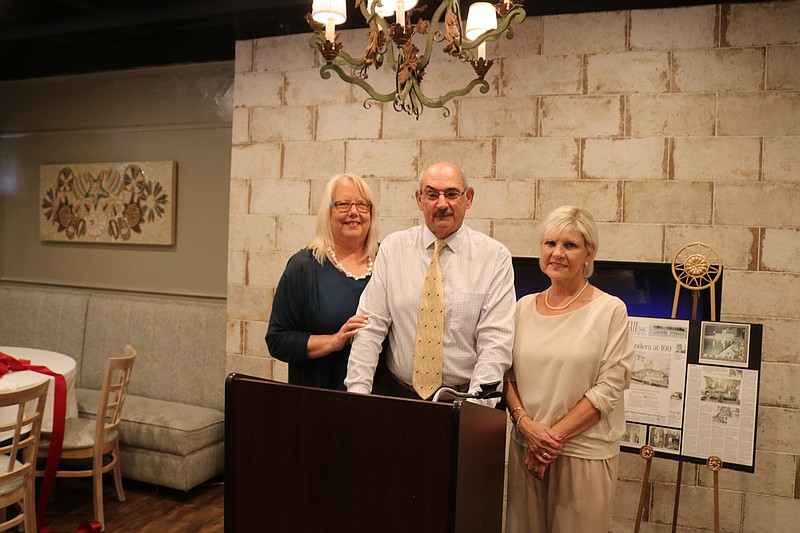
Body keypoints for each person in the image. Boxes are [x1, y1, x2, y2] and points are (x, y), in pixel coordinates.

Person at [504, 205, 635, 533]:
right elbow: (505, 374)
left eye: (570, 245)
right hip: (527, 452)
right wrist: (527, 428)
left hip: (582, 455)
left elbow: (609, 388)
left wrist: (550, 440)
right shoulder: (522, 308)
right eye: (550, 244)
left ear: (590, 251)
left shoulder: (610, 310)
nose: (557, 253)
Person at [344, 161, 515, 401]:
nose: (442, 204)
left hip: (463, 399)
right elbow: (370, 327)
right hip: (398, 396)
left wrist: (475, 411)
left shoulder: (495, 257)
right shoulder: (393, 249)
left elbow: (495, 343)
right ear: (419, 199)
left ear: (469, 198)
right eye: (432, 195)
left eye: (452, 194)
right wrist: (357, 395)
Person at [265, 173, 379, 390]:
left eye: (362, 205)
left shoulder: (387, 261)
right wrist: (333, 341)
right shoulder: (303, 267)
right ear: (327, 212)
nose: (354, 212)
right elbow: (277, 340)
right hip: (320, 398)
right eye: (343, 204)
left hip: (380, 399)